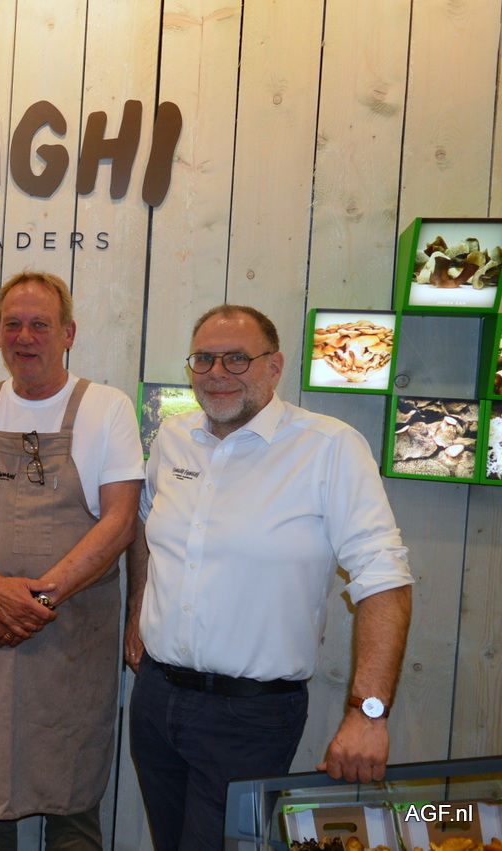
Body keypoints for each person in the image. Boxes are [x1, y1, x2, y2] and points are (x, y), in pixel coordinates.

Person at [125, 304, 414, 851]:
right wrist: (137, 611)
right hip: (156, 698)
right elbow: (145, 526)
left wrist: (368, 713)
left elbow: (385, 579)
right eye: (204, 359)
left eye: (237, 358)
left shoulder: (329, 447)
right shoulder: (172, 438)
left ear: (275, 367)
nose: (217, 373)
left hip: (250, 715)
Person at [0, 270, 143, 851]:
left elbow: (121, 521)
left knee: (71, 801)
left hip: (71, 638)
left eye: (40, 325)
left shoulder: (106, 408)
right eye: (13, 325)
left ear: (68, 333)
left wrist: (38, 601)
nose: (25, 337)